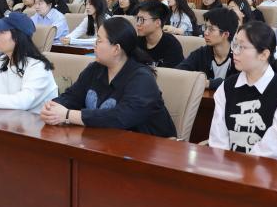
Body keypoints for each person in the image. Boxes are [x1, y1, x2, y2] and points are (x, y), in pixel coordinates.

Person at [40, 17, 176, 137]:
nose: (94, 45)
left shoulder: (142, 78)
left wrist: (68, 115)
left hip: (151, 146)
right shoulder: (95, 68)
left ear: (116, 49)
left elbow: (120, 117)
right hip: (107, 140)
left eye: (99, 41)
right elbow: (72, 96)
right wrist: (53, 107)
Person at [208, 21, 277, 159]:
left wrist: (241, 167)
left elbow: (275, 149)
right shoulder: (227, 87)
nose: (235, 51)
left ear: (263, 54)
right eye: (235, 45)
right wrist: (225, 166)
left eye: (242, 47)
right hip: (227, 167)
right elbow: (218, 140)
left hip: (269, 168)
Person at [177, 7, 238, 90]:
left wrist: (210, 83)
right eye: (205, 27)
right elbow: (178, 72)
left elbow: (241, 83)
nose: (205, 33)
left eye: (211, 29)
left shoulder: (238, 57)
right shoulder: (201, 53)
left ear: (225, 34)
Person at [132, 0, 184, 68]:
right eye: (137, 19)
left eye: (142, 19)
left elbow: (171, 73)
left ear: (157, 23)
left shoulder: (172, 46)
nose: (138, 24)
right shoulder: (135, 42)